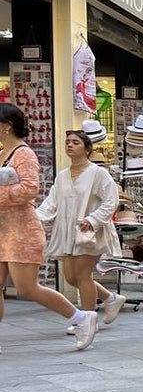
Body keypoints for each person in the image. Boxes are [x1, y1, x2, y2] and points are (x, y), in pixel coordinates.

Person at [0, 106, 100, 351]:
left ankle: (81, 317)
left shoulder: (24, 154)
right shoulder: (3, 154)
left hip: (22, 231)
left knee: (27, 287)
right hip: (4, 230)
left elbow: (30, 189)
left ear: (6, 125)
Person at [37, 130, 127, 335]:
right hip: (68, 232)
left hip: (91, 232)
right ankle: (110, 299)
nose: (69, 145)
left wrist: (93, 219)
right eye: (67, 142)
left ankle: (87, 320)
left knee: (82, 274)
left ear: (87, 149)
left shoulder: (98, 173)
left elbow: (111, 200)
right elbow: (51, 203)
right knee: (71, 278)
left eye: (75, 142)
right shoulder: (62, 176)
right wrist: (33, 217)